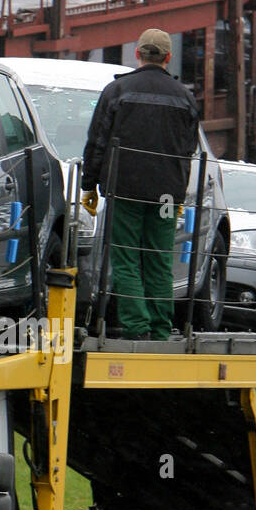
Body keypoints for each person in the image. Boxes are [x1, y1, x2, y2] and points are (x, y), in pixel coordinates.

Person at [81, 27, 199, 340]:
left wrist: (88, 186)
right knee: (160, 258)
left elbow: (97, 142)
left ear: (138, 53)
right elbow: (188, 150)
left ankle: (137, 327)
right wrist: (178, 195)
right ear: (168, 57)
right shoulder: (185, 98)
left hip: (125, 190)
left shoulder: (117, 92)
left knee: (126, 256)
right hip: (165, 196)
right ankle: (161, 328)